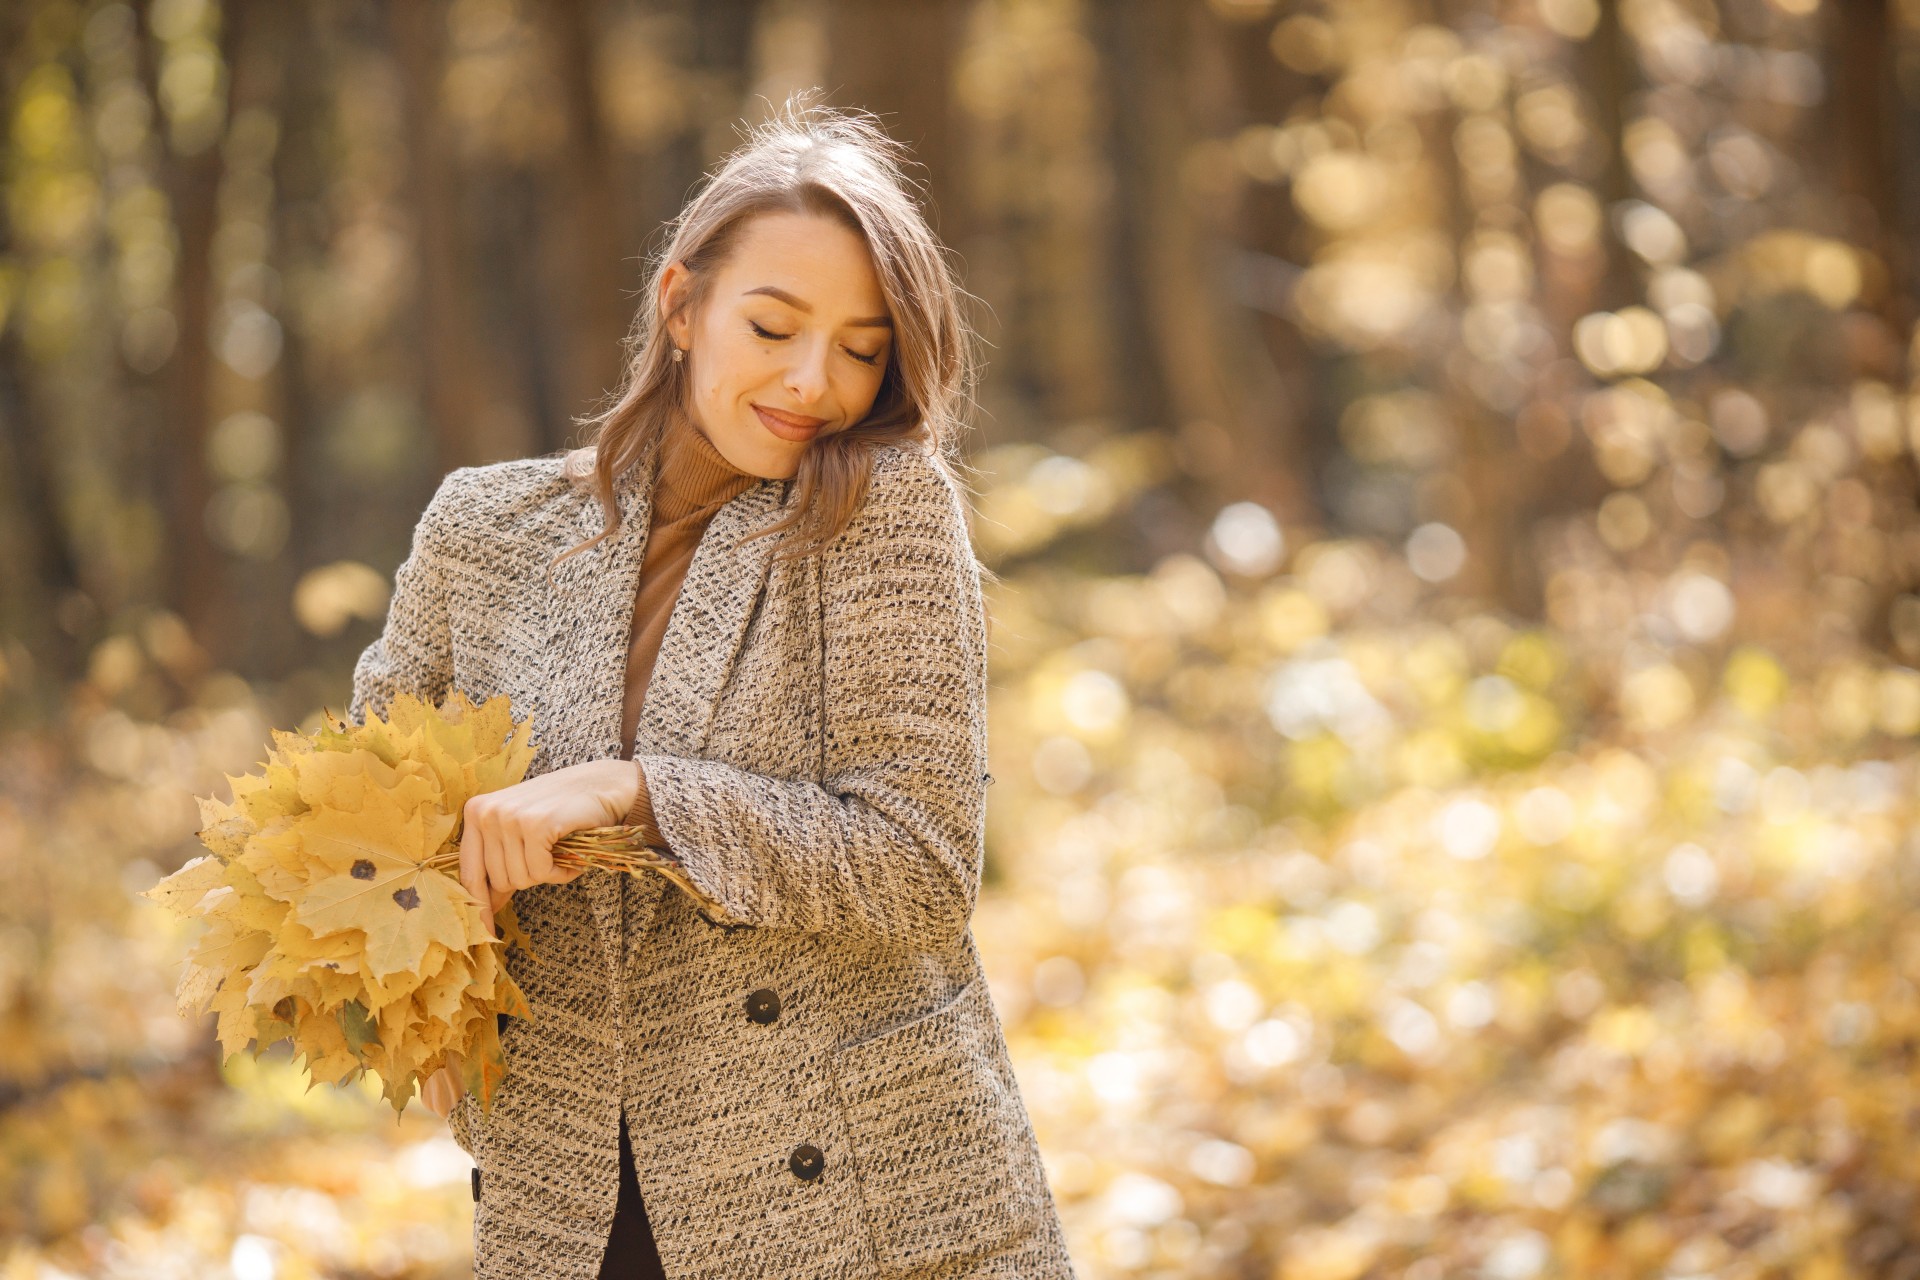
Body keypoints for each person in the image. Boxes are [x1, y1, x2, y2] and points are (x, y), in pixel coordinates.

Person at [349, 95, 1077, 1279]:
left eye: (861, 346)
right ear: (681, 305)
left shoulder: (878, 509)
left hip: (857, 1194)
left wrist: (637, 794)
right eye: (774, 326)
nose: (814, 384)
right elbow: (359, 818)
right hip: (569, 1188)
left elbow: (923, 861)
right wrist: (422, 968)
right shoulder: (484, 531)